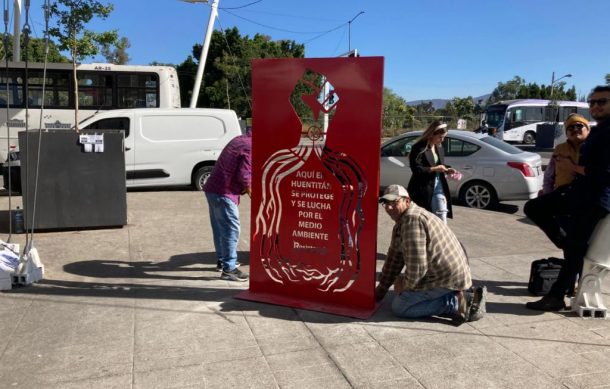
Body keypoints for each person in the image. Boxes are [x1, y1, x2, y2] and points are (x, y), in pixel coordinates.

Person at [525, 86, 610, 311]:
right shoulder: (600, 130)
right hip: (579, 193)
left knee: (575, 250)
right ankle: (566, 246)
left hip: (594, 199)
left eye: (602, 101)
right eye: (592, 102)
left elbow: (604, 173)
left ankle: (555, 296)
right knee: (534, 208)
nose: (596, 106)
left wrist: (573, 167)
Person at [375, 184, 486, 325]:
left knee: (400, 306)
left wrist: (404, 284)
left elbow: (418, 268)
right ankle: (456, 295)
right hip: (446, 273)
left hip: (447, 278)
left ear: (407, 201)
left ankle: (456, 303)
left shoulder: (412, 220)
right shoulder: (404, 219)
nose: (389, 208)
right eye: (386, 204)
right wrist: (382, 288)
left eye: (394, 202)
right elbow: (394, 258)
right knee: (401, 292)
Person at [203, 130, 252, 282]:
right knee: (231, 229)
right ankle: (229, 269)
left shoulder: (240, 139)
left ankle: (222, 261)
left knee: (220, 228)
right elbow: (245, 175)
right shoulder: (252, 146)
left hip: (213, 189)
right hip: (224, 192)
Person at [407, 121, 456, 223]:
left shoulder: (439, 147)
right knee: (423, 221)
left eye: (444, 137)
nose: (442, 140)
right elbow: (416, 169)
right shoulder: (419, 147)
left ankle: (442, 239)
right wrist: (435, 169)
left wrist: (447, 169)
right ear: (432, 134)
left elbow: (437, 164)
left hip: (439, 188)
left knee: (441, 220)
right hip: (422, 190)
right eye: (440, 137)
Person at [541, 114, 590, 195]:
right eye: (570, 127)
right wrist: (547, 196)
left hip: (587, 198)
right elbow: (548, 177)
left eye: (579, 126)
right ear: (566, 133)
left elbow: (600, 174)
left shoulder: (596, 148)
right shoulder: (559, 149)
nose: (575, 129)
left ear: (588, 130)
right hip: (562, 196)